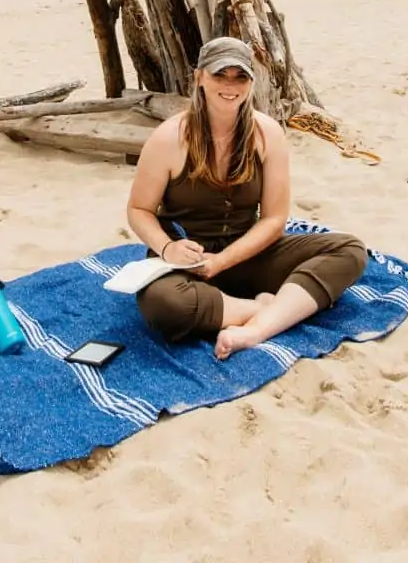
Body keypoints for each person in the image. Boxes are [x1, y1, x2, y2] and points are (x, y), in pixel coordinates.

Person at [127, 37, 367, 360]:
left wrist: (222, 262)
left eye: (240, 77)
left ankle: (255, 329)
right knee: (165, 304)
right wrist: (169, 248)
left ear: (252, 82)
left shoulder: (268, 134)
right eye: (219, 75)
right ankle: (262, 307)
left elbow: (273, 220)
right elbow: (139, 210)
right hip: (186, 263)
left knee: (350, 251)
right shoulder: (169, 138)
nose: (230, 86)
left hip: (247, 255)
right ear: (199, 78)